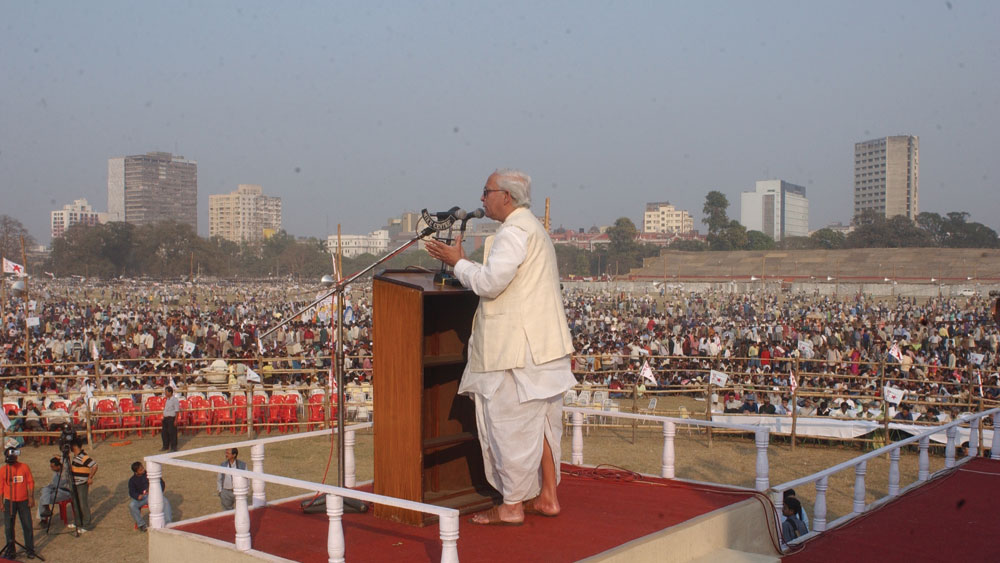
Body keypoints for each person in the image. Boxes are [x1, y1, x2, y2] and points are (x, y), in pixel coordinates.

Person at [425, 169, 577, 526]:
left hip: (516, 348)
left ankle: (511, 505)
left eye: (486, 191)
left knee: (508, 425)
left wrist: (456, 262)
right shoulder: (533, 229)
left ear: (506, 197)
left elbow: (491, 284)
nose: (482, 198)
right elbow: (506, 278)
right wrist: (464, 264)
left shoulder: (513, 232)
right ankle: (548, 497)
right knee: (539, 423)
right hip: (541, 346)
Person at [0, 447, 35, 559]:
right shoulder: (2, 470)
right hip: (9, 502)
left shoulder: (24, 467)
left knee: (27, 525)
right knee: (9, 527)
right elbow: (0, 488)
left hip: (23, 501)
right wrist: (1, 502)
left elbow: (30, 482)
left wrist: (30, 497)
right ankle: (11, 551)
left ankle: (30, 549)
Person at [128, 461, 172, 531]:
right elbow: (131, 492)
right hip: (142, 498)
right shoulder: (132, 480)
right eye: (140, 470)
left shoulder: (150, 474)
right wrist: (137, 496)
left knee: (165, 501)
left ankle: (168, 523)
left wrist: (158, 492)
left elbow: (161, 483)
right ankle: (141, 524)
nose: (143, 470)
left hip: (153, 495)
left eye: (142, 468)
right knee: (132, 505)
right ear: (136, 472)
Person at [69, 438, 97, 534]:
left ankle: (86, 524)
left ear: (74, 446)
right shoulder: (75, 457)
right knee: (76, 504)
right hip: (75, 483)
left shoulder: (83, 456)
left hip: (82, 483)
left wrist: (90, 477)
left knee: (82, 503)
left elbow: (94, 465)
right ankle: (78, 522)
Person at [37, 457, 71, 527]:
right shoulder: (55, 473)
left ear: (59, 466)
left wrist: (61, 458)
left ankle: (44, 518)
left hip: (65, 492)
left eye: (53, 467)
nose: (51, 468)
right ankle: (45, 512)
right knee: (45, 490)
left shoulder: (65, 472)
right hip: (56, 489)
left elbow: (66, 461)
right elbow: (54, 484)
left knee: (43, 498)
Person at [161, 386, 180, 452]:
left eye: (166, 392)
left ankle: (173, 447)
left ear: (170, 392)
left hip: (171, 418)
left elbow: (177, 411)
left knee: (172, 433)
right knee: (164, 433)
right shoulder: (167, 400)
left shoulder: (174, 400)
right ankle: (165, 446)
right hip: (166, 418)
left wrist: (176, 420)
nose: (165, 393)